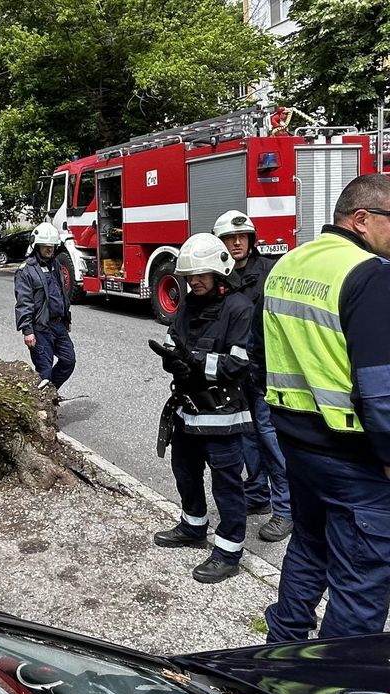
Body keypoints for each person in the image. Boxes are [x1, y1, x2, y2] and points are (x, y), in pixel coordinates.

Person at [259, 174, 390, 641]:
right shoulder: (369, 275)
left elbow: (261, 356)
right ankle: (337, 692)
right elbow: (381, 393)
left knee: (309, 548)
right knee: (359, 583)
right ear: (362, 219)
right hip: (354, 459)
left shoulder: (288, 264)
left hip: (298, 447)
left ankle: (282, 656)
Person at [149, 233, 254, 584]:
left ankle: (228, 552)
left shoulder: (239, 309)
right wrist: (173, 362)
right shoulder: (187, 306)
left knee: (226, 487)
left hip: (223, 416)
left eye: (201, 276)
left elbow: (238, 364)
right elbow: (171, 345)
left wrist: (192, 360)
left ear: (218, 273)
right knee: (186, 474)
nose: (194, 282)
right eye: (190, 277)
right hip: (186, 412)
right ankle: (193, 526)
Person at [213, 210, 291, 542]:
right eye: (230, 239)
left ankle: (286, 510)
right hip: (235, 375)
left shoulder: (271, 273)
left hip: (265, 372)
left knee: (271, 439)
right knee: (246, 438)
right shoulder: (220, 278)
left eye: (242, 237)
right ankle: (257, 495)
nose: (237, 243)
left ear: (251, 240)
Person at [14, 222, 74, 393]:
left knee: (68, 361)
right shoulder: (26, 271)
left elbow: (61, 295)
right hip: (40, 328)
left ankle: (48, 395)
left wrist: (66, 318)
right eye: (46, 247)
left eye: (52, 247)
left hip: (58, 325)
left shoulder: (55, 265)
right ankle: (42, 407)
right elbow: (23, 302)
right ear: (36, 246)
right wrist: (27, 330)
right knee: (44, 373)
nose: (50, 250)